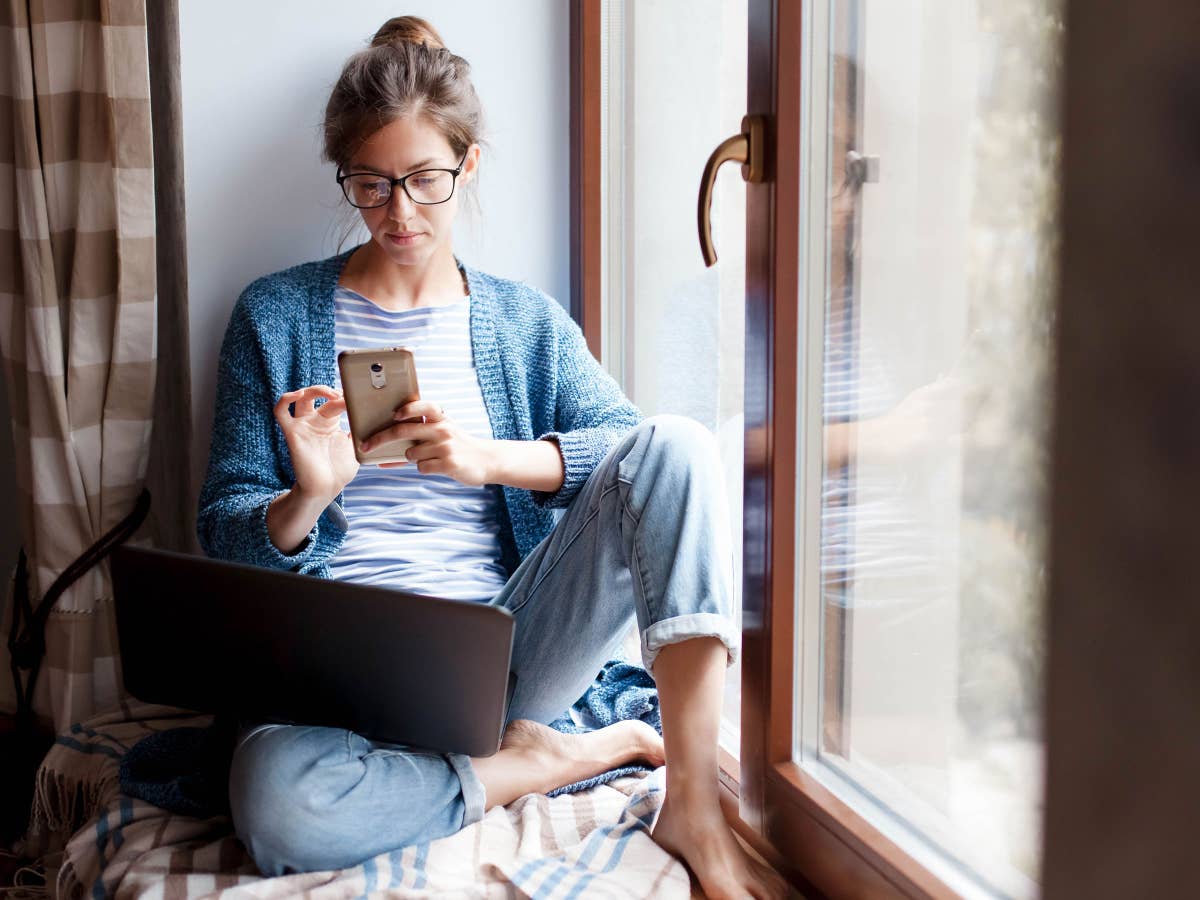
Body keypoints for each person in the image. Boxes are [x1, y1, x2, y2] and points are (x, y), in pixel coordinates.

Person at [196, 16, 786, 900]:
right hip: (332, 675)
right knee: (283, 811)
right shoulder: (273, 315)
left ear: (467, 166)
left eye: (425, 180)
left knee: (680, 444)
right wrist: (305, 502)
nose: (399, 212)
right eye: (370, 183)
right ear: (344, 177)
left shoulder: (523, 322)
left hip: (503, 648)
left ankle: (694, 802)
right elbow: (222, 524)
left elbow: (632, 460)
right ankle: (534, 765)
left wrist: (489, 461)